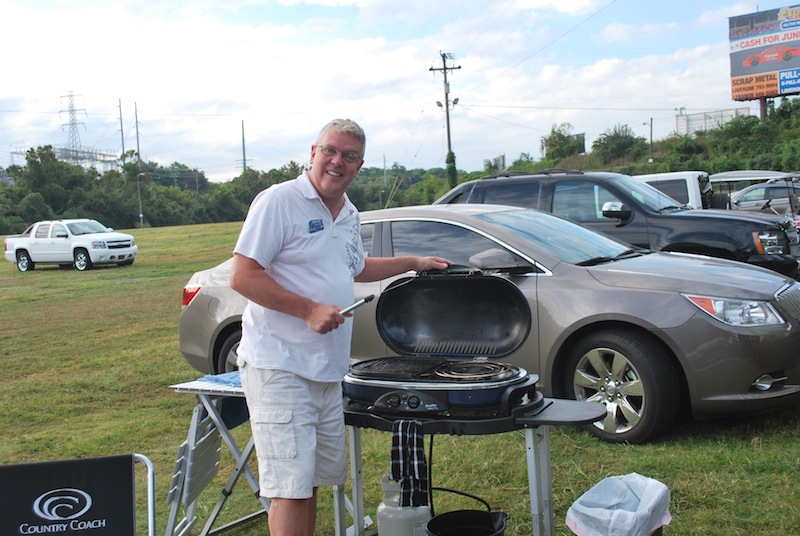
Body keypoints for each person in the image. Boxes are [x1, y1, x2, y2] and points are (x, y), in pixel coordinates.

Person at [229, 118, 450, 536]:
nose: (337, 161)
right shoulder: (279, 201)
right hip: (281, 365)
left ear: (359, 165)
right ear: (312, 153)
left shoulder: (348, 212)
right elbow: (243, 275)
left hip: (327, 370)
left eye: (349, 156)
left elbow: (357, 266)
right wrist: (308, 309)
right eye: (330, 150)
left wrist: (413, 262)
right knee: (290, 489)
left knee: (311, 482)